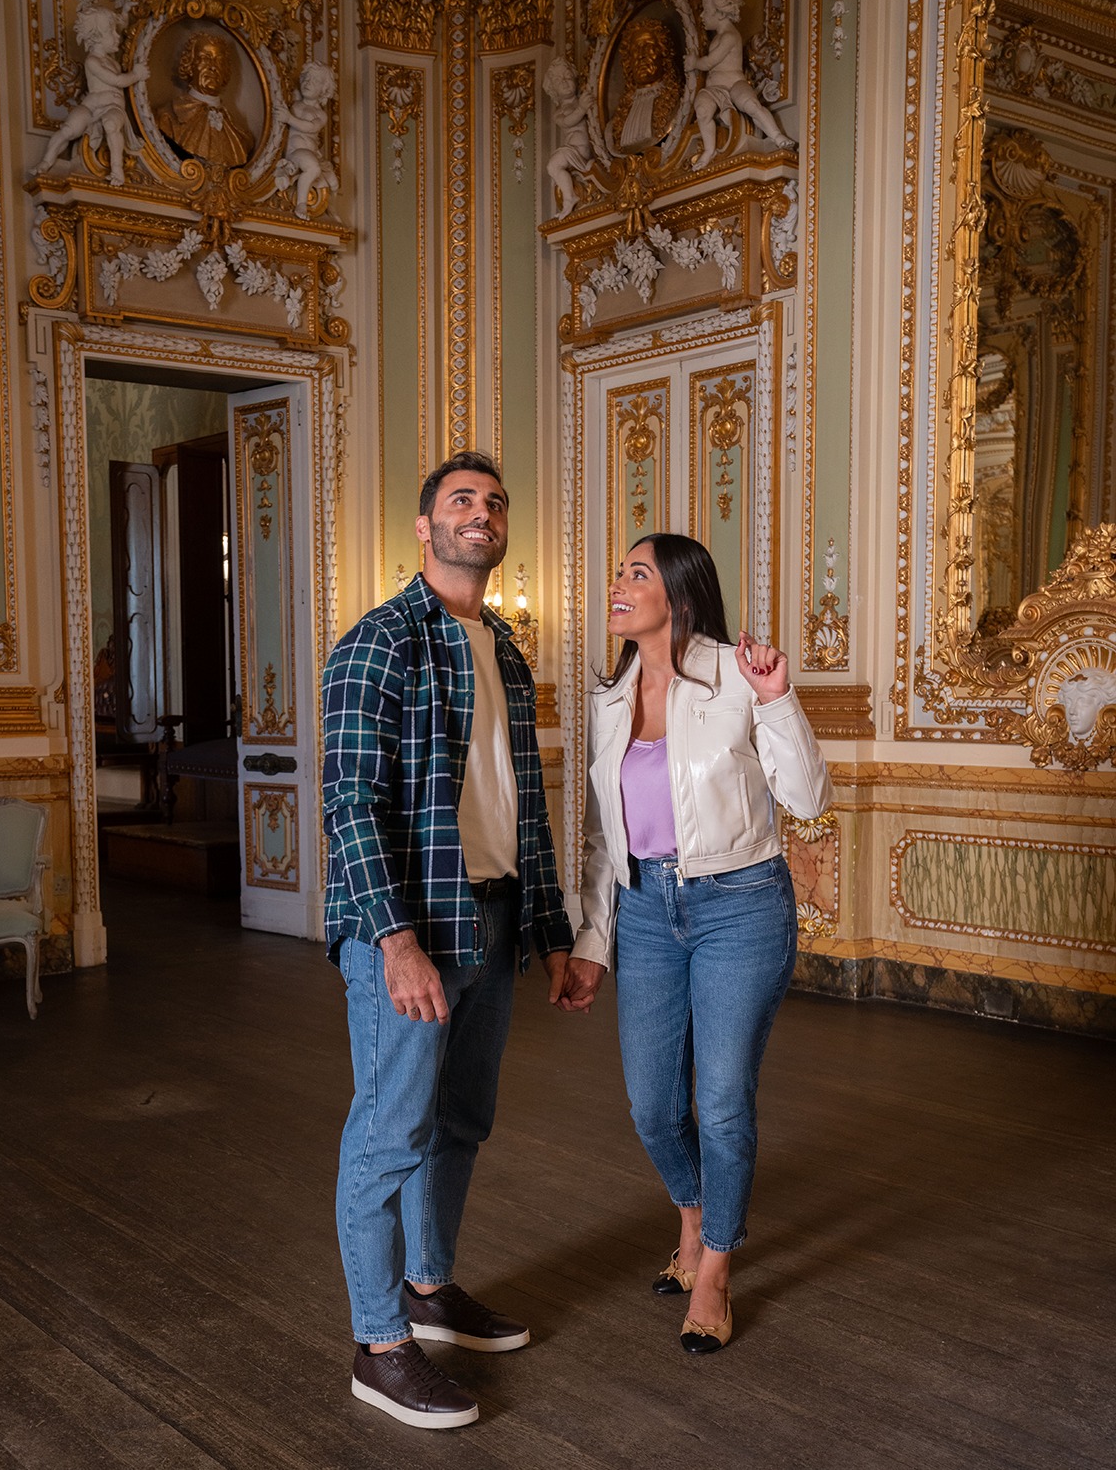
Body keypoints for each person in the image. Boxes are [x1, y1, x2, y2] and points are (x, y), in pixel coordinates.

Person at [321, 450, 576, 1428]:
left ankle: (430, 1291)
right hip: (413, 928)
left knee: (460, 1123)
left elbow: (524, 809)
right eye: (463, 500)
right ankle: (379, 1343)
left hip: (496, 916)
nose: (484, 512)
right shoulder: (379, 642)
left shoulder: (505, 647)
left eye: (496, 502)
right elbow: (348, 805)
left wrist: (550, 931)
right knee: (389, 1137)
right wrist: (394, 940)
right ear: (425, 529)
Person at [562, 533, 831, 1354]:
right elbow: (602, 839)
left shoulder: (735, 677)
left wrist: (779, 699)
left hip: (739, 905)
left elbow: (808, 798)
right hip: (645, 910)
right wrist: (590, 942)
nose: (617, 584)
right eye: (618, 572)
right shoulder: (608, 699)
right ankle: (693, 1213)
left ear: (678, 595)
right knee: (651, 1105)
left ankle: (713, 1268)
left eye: (635, 574)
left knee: (719, 1099)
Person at [35, 6, 148, 186]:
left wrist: (126, 12)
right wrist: (136, 75)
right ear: (96, 38)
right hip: (90, 106)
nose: (117, 36)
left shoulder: (111, 60)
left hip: (113, 107)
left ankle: (117, 169)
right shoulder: (92, 61)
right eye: (112, 32)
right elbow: (116, 80)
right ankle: (46, 162)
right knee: (68, 130)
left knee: (111, 124)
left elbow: (120, 23)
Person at [687, 0, 794, 164]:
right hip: (715, 89)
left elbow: (710, 62)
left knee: (751, 105)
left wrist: (694, 62)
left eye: (706, 10)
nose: (702, 16)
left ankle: (777, 136)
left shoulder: (730, 36)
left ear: (720, 12)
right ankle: (709, 150)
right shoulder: (718, 36)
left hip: (735, 84)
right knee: (702, 110)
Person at [155, 30, 253, 167]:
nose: (213, 67)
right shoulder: (167, 118)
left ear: (225, 70)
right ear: (190, 65)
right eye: (206, 58)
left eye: (219, 61)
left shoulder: (242, 137)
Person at [608, 17, 683, 153]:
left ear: (664, 54)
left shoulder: (680, 103)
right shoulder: (615, 123)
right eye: (636, 50)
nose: (641, 56)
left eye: (649, 46)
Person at [276, 60, 338, 217]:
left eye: (315, 81)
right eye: (306, 77)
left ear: (324, 89)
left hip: (307, 154)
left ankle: (301, 203)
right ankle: (301, 203)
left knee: (314, 168)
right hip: (295, 152)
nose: (308, 82)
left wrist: (289, 119)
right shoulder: (294, 104)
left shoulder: (320, 114)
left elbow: (311, 127)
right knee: (313, 167)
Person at [544, 56, 595, 220]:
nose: (565, 82)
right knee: (552, 166)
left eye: (567, 77)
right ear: (553, 89)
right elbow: (567, 122)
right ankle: (569, 197)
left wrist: (582, 106)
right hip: (572, 150)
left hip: (582, 150)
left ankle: (569, 197)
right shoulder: (559, 112)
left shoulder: (582, 100)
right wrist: (581, 109)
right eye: (559, 81)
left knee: (553, 166)